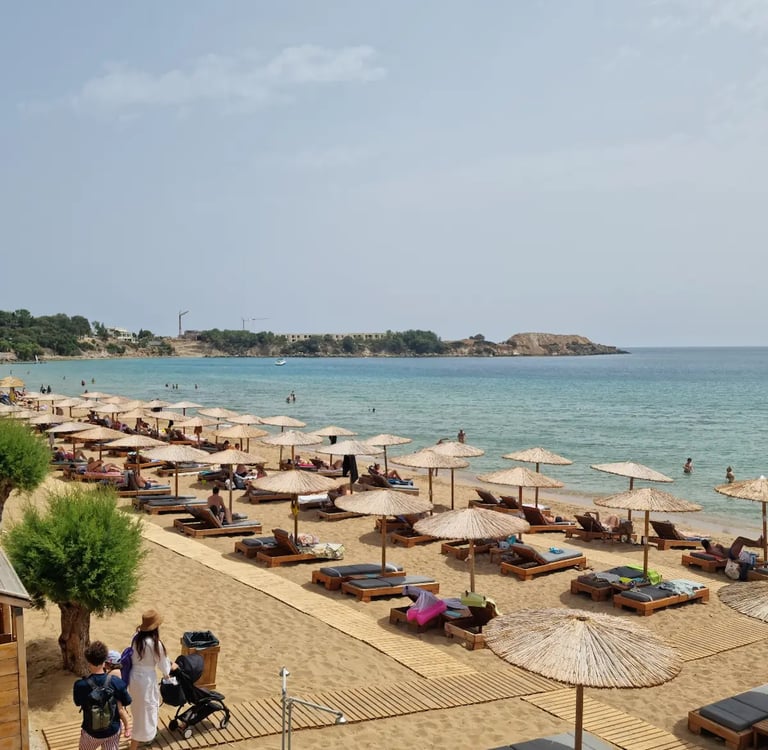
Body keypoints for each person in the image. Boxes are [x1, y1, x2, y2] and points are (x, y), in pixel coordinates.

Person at [73, 640, 132, 750]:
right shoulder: (116, 682)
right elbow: (127, 701)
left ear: (88, 662)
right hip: (112, 731)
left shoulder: (80, 685)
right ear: (105, 662)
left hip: (91, 732)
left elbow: (78, 703)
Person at [127, 610, 171, 750]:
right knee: (148, 709)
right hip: (146, 680)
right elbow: (164, 666)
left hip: (133, 678)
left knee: (138, 709)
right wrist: (167, 673)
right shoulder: (155, 644)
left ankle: (142, 738)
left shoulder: (136, 638)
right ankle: (139, 741)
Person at [105, 651, 131, 738]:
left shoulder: (115, 672)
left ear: (110, 664)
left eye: (106, 663)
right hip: (113, 694)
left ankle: (127, 727)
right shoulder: (116, 670)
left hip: (116, 696)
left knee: (120, 711)